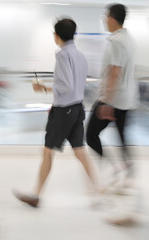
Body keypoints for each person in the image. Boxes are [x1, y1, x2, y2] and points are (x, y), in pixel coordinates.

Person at [13, 18, 99, 207]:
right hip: (77, 108)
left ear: (57, 35)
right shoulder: (81, 56)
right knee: (80, 151)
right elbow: (77, 85)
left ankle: (35, 196)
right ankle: (98, 192)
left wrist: (43, 88)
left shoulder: (62, 55)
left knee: (47, 151)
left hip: (64, 111)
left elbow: (65, 85)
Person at [86, 3, 139, 188]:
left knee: (91, 135)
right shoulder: (129, 39)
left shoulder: (116, 42)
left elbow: (115, 73)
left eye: (105, 16)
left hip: (113, 99)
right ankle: (129, 174)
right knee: (122, 135)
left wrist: (106, 102)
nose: (104, 20)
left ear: (111, 18)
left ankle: (113, 168)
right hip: (127, 99)